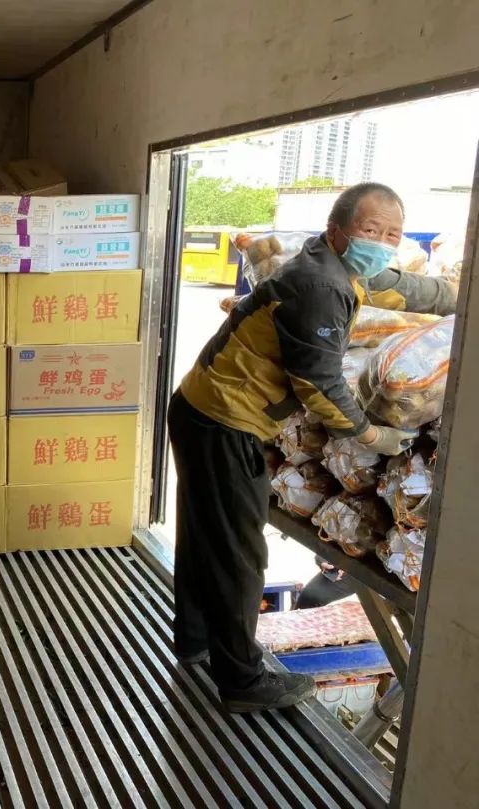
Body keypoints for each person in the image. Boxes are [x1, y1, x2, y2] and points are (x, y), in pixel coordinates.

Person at [168, 182, 456, 712]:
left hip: (202, 408)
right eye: (371, 230)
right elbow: (319, 384)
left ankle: (193, 639)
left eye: (392, 234)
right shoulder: (321, 285)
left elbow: (404, 289)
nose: (382, 243)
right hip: (225, 422)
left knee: (206, 534)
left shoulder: (335, 266)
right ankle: (242, 682)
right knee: (239, 554)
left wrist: (459, 297)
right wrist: (372, 435)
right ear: (337, 230)